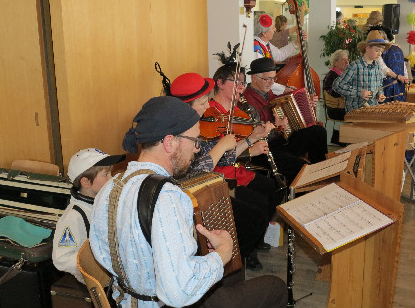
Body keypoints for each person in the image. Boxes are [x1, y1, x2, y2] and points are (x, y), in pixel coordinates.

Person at [90, 96, 287, 308]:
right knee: (275, 287)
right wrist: (222, 254)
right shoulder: (167, 198)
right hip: (163, 303)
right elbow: (179, 293)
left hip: (127, 298)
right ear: (169, 142)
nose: (197, 149)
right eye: (195, 141)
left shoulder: (110, 187)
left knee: (232, 275)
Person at [169, 70, 277, 271]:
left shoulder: (198, 125)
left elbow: (226, 157)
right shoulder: (178, 134)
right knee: (254, 217)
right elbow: (191, 173)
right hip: (192, 195)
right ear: (187, 106)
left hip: (209, 186)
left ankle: (233, 263)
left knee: (258, 211)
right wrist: (221, 146)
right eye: (202, 103)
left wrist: (250, 139)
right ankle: (227, 266)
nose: (208, 105)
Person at [242, 57, 328, 183]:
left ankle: (320, 174)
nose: (272, 83)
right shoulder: (247, 102)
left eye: (274, 78)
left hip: (280, 141)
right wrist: (277, 127)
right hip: (263, 151)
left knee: (318, 132)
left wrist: (306, 102)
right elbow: (256, 138)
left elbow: (288, 106)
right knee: (300, 167)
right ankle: (302, 192)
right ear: (254, 78)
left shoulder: (269, 93)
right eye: (268, 79)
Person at [53, 148, 125, 283]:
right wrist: (95, 264)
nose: (112, 179)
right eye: (106, 174)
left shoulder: (102, 205)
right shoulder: (73, 217)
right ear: (86, 182)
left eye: (111, 173)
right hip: (95, 283)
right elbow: (61, 259)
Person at [332, 30, 390, 113]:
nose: (380, 54)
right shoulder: (355, 66)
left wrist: (379, 94)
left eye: (381, 51)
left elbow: (379, 85)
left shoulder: (377, 66)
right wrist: (359, 92)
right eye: (377, 50)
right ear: (367, 48)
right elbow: (337, 85)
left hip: (373, 109)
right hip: (356, 111)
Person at [253, 13, 303, 95]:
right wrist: (284, 89)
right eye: (273, 28)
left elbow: (280, 55)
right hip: (259, 92)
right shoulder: (256, 48)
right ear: (264, 33)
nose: (275, 30)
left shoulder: (265, 43)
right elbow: (263, 78)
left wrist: (297, 43)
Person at [323, 49, 349, 145]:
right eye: (343, 60)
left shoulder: (341, 75)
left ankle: (342, 138)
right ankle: (346, 139)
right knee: (360, 112)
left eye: (347, 59)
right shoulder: (331, 76)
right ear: (335, 62)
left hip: (341, 107)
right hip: (335, 109)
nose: (347, 62)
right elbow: (334, 94)